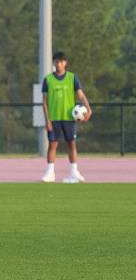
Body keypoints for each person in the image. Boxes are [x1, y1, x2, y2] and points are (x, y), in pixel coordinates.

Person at [40, 52, 92, 183]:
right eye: (56, 61)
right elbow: (44, 102)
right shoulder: (48, 80)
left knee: (71, 144)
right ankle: (50, 172)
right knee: (52, 145)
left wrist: (88, 109)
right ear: (54, 63)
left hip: (69, 118)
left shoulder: (72, 78)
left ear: (65, 63)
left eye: (61, 61)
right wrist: (47, 120)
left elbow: (80, 95)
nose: (59, 64)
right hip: (54, 118)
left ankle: (74, 171)